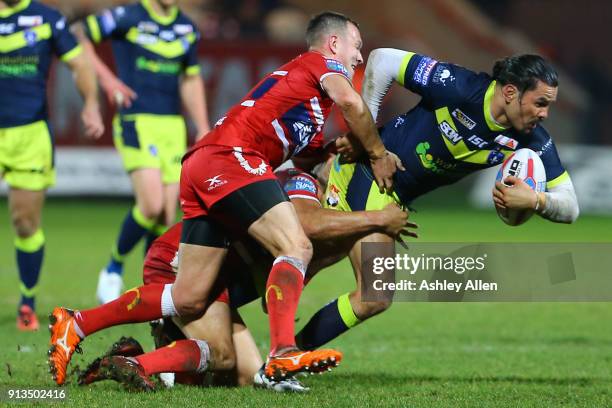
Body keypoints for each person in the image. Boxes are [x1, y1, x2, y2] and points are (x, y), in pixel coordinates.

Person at [48, 11, 402, 386]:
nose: (359, 57)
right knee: (296, 245)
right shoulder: (322, 63)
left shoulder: (307, 103)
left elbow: (307, 155)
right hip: (232, 158)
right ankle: (283, 352)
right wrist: (377, 154)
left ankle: (78, 323)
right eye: (356, 46)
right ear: (334, 44)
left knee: (188, 298)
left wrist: (336, 148)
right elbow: (354, 105)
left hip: (206, 163)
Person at [51, 166, 415, 391]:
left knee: (241, 377)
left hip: (218, 278)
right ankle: (127, 357)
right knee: (222, 356)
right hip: (187, 258)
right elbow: (309, 224)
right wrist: (377, 219)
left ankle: (135, 356)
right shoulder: (299, 183)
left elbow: (281, 285)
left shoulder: (326, 213)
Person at [314, 49, 580, 345]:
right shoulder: (460, 86)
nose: (544, 114)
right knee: (374, 294)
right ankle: (287, 354)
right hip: (369, 174)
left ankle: (279, 350)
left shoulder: (532, 139)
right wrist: (364, 135)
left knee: (312, 259)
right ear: (509, 92)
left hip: (391, 196)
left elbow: (571, 207)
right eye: (540, 103)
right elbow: (382, 60)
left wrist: (536, 201)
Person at [76, 0, 211, 303]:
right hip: (136, 120)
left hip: (172, 127)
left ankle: (151, 286)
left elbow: (190, 78)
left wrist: (201, 125)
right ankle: (112, 268)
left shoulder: (186, 28)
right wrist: (107, 79)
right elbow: (78, 34)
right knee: (149, 205)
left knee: (165, 213)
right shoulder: (129, 15)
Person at [0, 0, 103, 331]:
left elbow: (80, 65)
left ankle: (27, 303)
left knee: (25, 222)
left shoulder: (47, 19)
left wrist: (90, 104)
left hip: (30, 135)